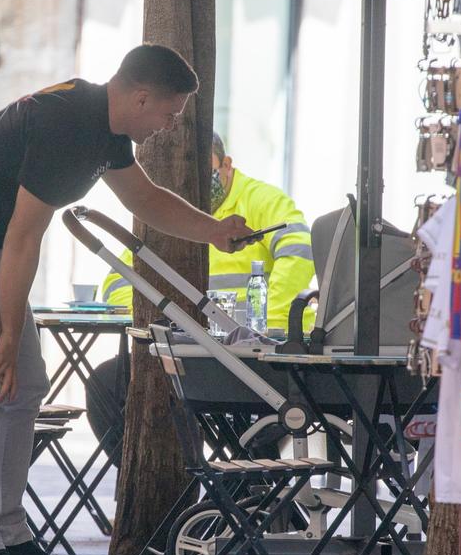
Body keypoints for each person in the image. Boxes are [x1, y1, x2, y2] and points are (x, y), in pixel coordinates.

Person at [0, 44, 255, 555]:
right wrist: (10, 335)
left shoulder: (103, 127)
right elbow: (24, 238)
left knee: (26, 386)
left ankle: (9, 535)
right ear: (140, 97)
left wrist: (213, 230)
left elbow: (146, 199)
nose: (169, 126)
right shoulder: (68, 126)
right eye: (170, 113)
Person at [92, 134, 316, 467]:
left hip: (261, 349)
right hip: (193, 347)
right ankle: (179, 477)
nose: (199, 182)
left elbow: (298, 254)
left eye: (206, 170)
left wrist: (259, 322)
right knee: (105, 385)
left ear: (226, 166)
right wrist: (172, 321)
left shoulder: (262, 200)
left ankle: (245, 489)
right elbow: (116, 280)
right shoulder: (169, 213)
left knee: (250, 411)